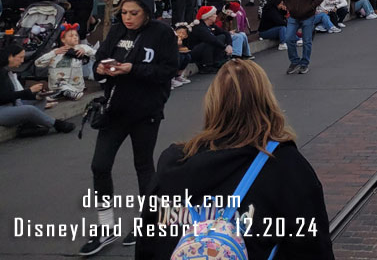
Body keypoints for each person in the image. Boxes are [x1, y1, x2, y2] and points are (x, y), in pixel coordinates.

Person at [136, 60, 334, 260]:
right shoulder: (286, 166)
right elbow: (314, 246)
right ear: (267, 101)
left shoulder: (173, 162)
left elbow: (147, 241)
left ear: (213, 103)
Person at [81, 0, 177, 255]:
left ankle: (147, 224)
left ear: (147, 12)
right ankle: (105, 227)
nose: (128, 18)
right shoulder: (116, 31)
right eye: (124, 12)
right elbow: (100, 60)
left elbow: (168, 69)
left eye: (134, 13)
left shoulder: (162, 34)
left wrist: (133, 69)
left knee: (143, 167)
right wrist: (101, 69)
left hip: (146, 111)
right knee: (100, 165)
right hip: (114, 110)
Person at [0, 41, 75, 134]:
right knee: (29, 109)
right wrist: (29, 91)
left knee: (41, 99)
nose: (22, 61)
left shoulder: (9, 72)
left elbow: (16, 95)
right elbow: (3, 97)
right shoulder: (2, 73)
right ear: (11, 56)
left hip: (12, 104)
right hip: (2, 110)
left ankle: (28, 126)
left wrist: (36, 95)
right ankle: (56, 124)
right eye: (20, 57)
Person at [35, 23, 95, 100]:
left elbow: (97, 55)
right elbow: (38, 63)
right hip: (56, 86)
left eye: (76, 35)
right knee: (59, 84)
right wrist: (54, 53)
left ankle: (61, 94)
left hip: (75, 87)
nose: (75, 37)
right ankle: (62, 93)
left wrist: (85, 51)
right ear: (63, 39)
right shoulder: (56, 51)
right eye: (71, 36)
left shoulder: (82, 48)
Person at [283, 0, 324, 75]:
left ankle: (304, 63)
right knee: (288, 38)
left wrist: (310, 7)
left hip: (307, 16)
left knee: (307, 41)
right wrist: (290, 7)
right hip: (294, 15)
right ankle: (295, 61)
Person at [189, 5, 233, 71]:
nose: (216, 16)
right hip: (195, 52)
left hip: (204, 50)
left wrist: (229, 45)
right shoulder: (199, 27)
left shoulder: (211, 25)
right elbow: (211, 39)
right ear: (208, 17)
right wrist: (224, 47)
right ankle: (206, 65)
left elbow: (225, 33)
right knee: (209, 42)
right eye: (214, 14)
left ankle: (217, 62)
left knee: (222, 37)